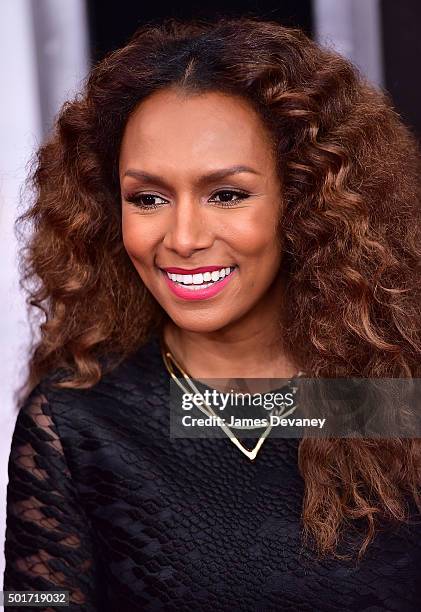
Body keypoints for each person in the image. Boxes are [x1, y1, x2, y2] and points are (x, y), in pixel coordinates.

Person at [3, 15, 421, 611]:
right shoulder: (81, 423)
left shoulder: (389, 397)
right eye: (148, 198)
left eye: (226, 194)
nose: (184, 237)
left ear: (303, 200)